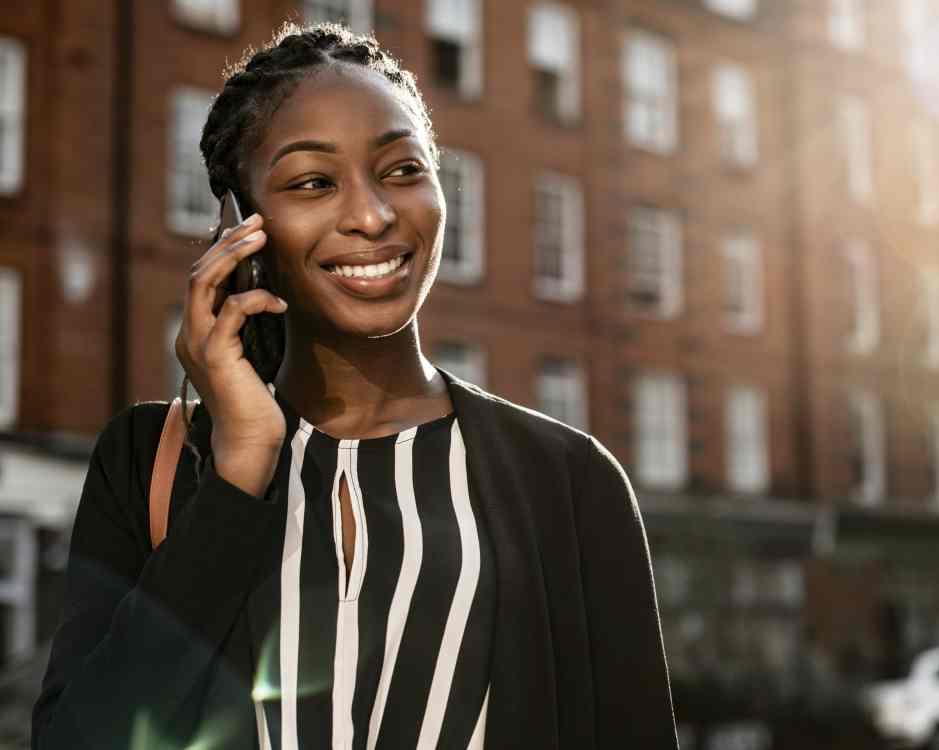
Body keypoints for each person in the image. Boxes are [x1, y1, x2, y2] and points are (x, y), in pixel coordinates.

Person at [31, 21, 678, 749]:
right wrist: (240, 469)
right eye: (313, 182)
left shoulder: (568, 480)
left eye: (403, 170)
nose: (372, 215)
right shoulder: (146, 460)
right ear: (238, 227)